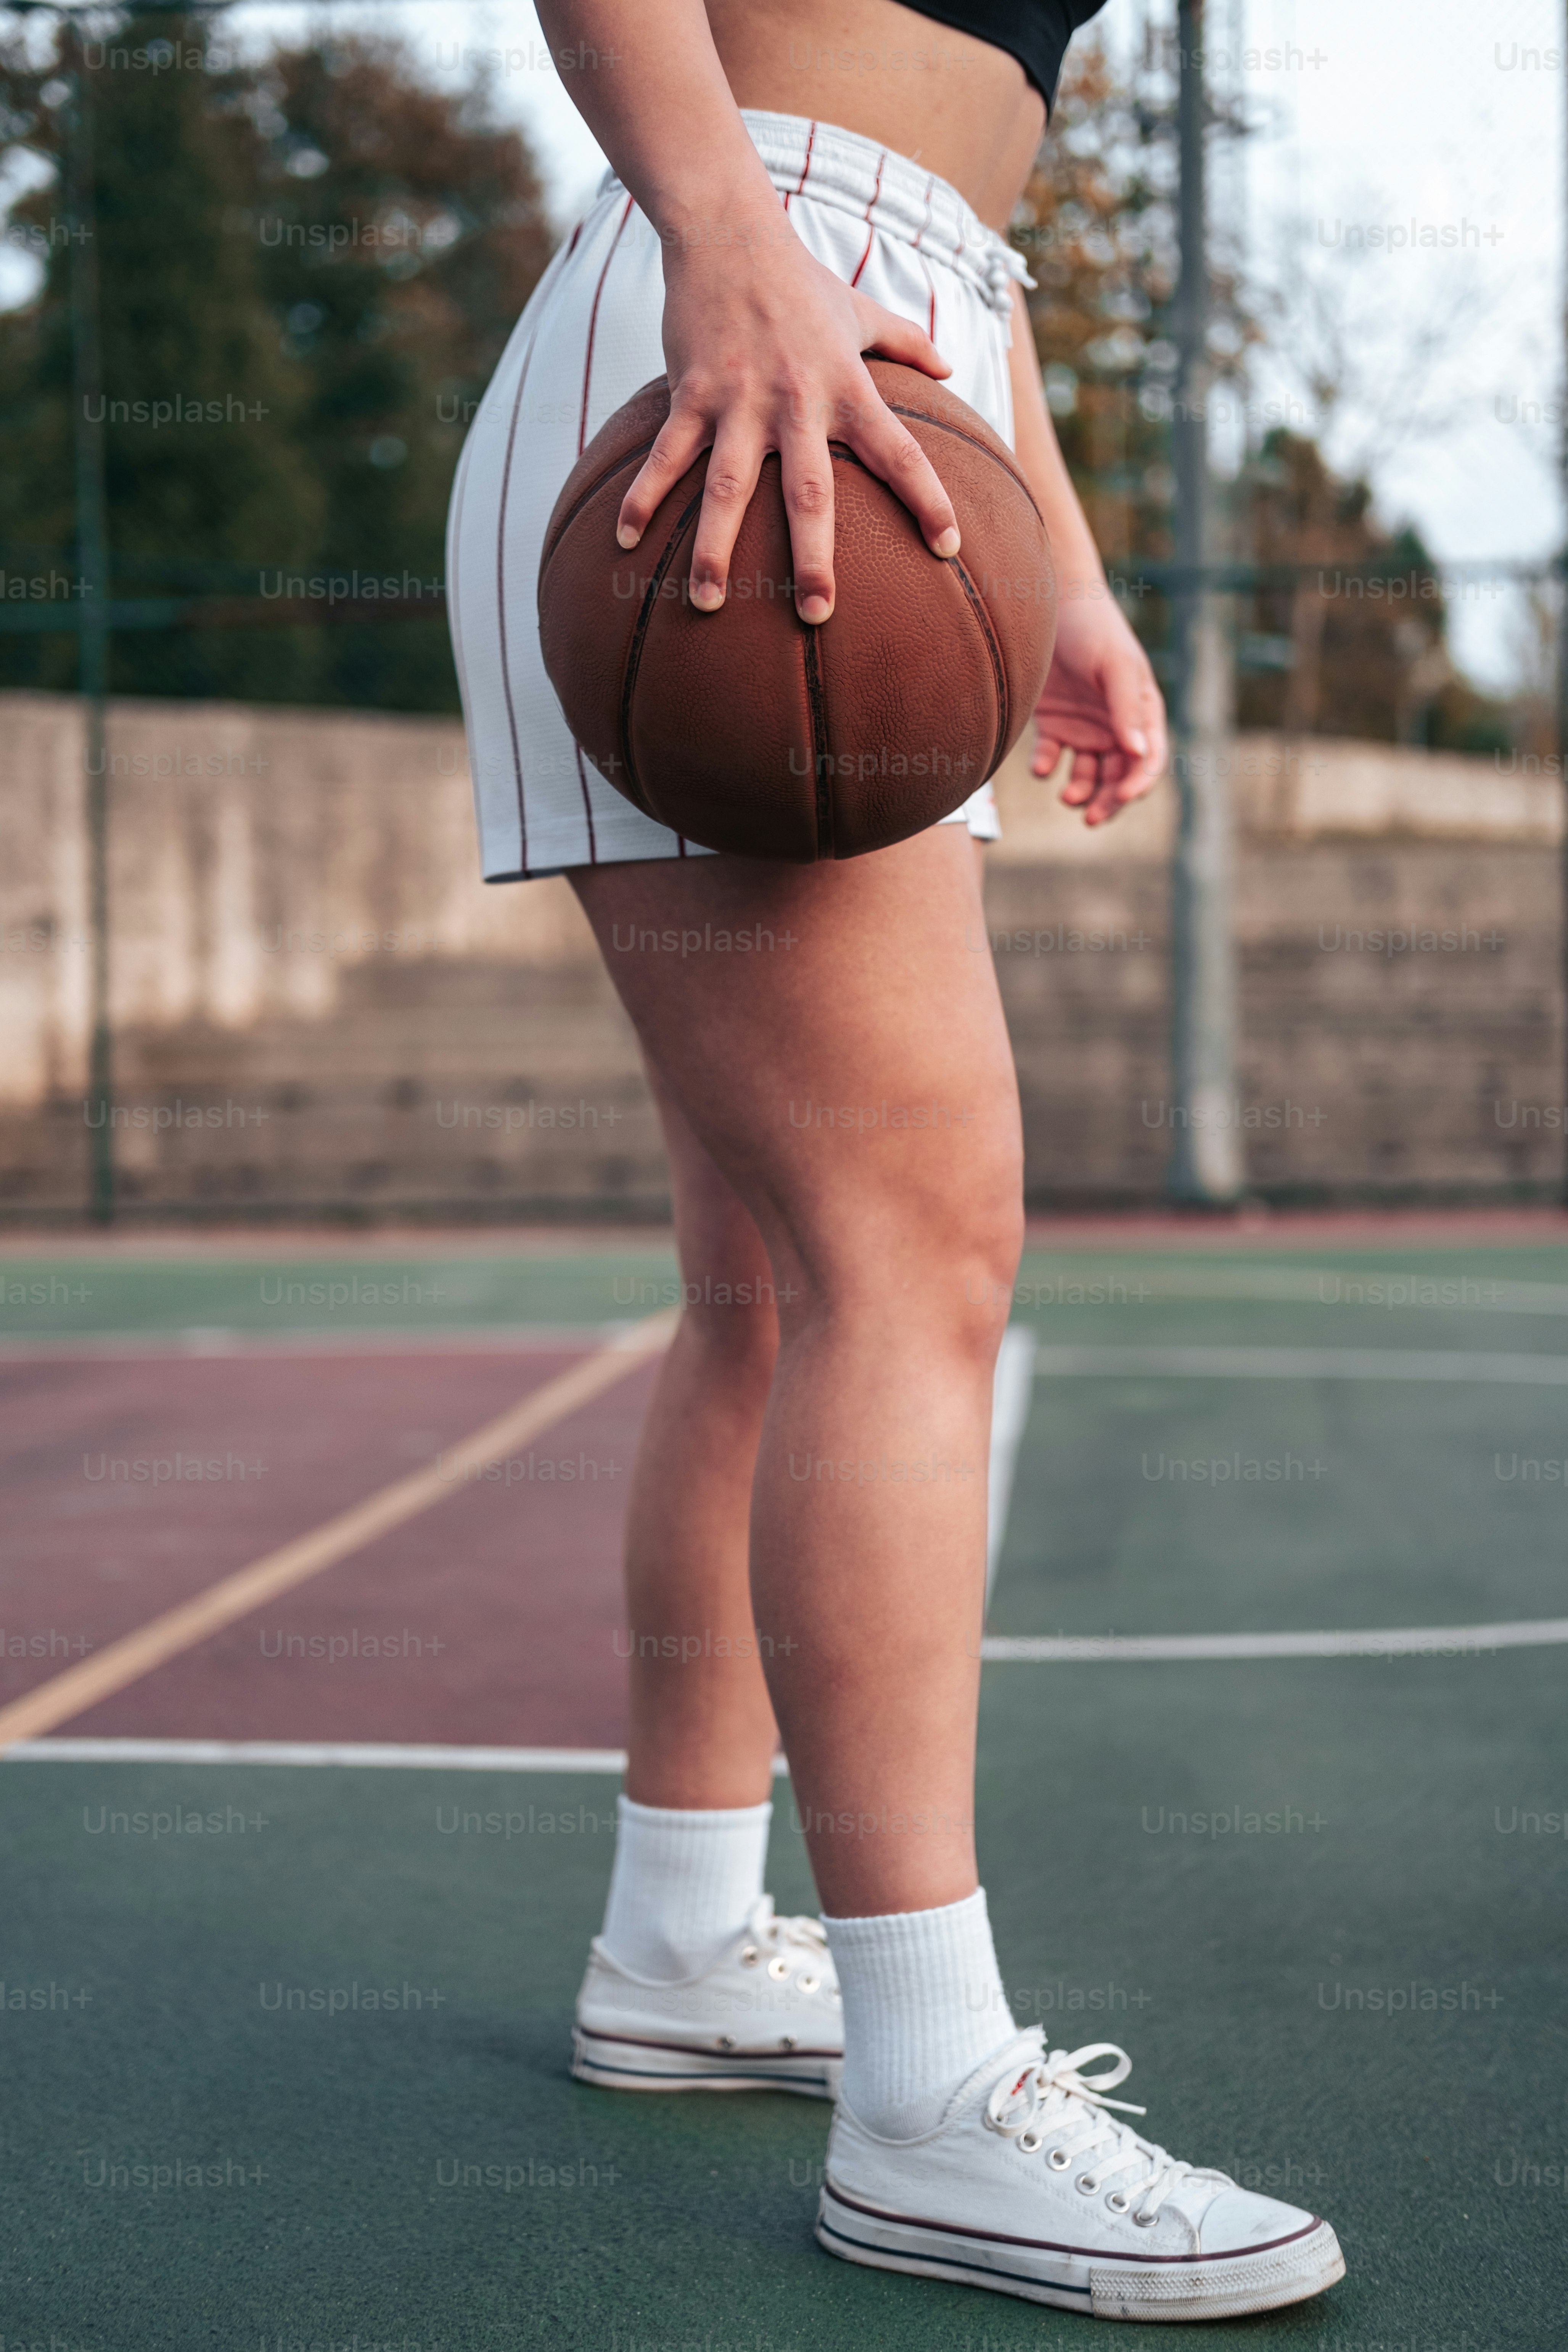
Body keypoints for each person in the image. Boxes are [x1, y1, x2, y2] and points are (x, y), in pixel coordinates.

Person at [445, 0, 1345, 2321]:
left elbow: (954, 191)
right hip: (747, 331)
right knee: (909, 1250)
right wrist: (725, 238)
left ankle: (678, 1938)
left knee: (767, 1267)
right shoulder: (736, 234)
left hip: (866, 343)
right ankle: (933, 2096)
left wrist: (1056, 568)